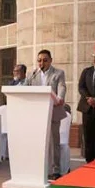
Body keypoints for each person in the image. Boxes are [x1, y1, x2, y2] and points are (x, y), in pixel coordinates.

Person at [26, 49, 68, 180]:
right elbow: (25, 88)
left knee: (54, 142)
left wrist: (60, 97)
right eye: (39, 60)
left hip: (53, 111)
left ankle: (55, 170)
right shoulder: (33, 75)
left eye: (45, 60)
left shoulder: (58, 73)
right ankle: (38, 168)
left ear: (50, 60)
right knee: (37, 141)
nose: (41, 63)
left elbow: (62, 86)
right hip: (37, 113)